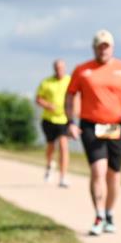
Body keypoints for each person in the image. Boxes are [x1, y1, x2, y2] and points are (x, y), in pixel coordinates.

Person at [66, 30, 121, 236]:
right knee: (97, 170)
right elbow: (70, 96)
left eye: (106, 46)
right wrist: (71, 122)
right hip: (91, 125)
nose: (103, 50)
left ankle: (109, 212)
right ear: (94, 48)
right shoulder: (82, 70)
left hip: (116, 125)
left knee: (113, 173)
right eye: (100, 47)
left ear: (112, 48)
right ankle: (99, 214)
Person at [36, 59, 72, 188]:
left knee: (63, 146)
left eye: (61, 68)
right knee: (51, 147)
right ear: (54, 69)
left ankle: (63, 176)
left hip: (64, 119)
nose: (59, 70)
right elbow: (38, 99)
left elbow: (76, 96)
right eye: (57, 68)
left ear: (65, 68)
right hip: (49, 119)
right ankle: (49, 165)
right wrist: (47, 105)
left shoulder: (70, 81)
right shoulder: (46, 82)